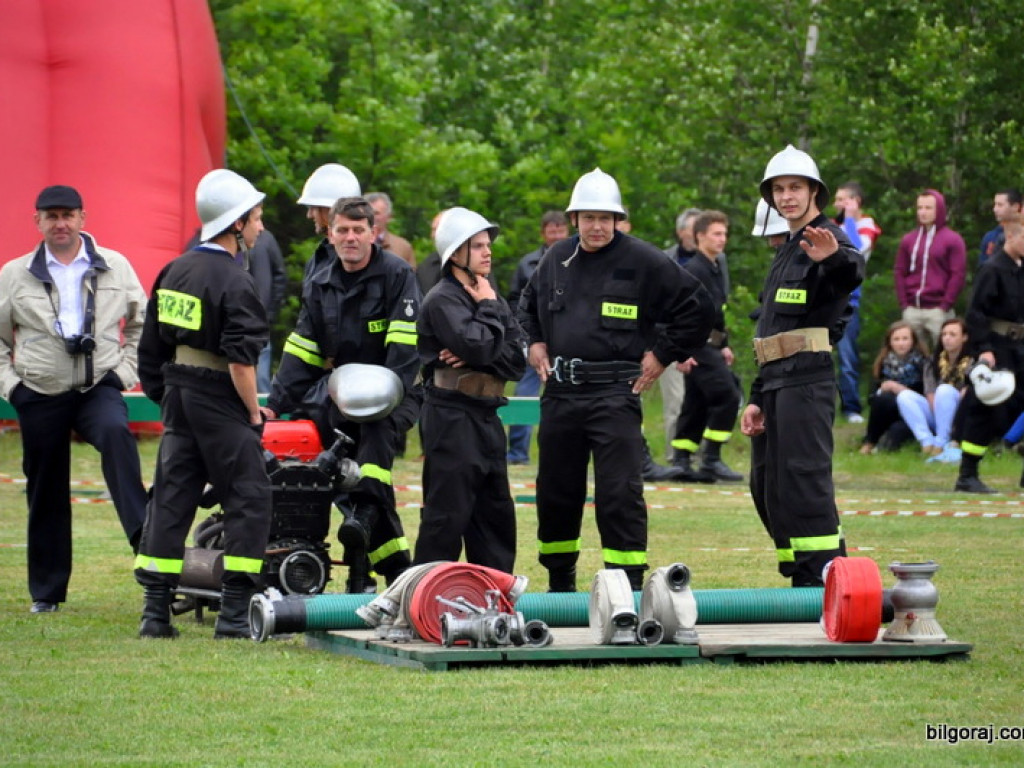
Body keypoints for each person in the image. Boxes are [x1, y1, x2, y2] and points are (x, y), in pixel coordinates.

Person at [519, 168, 714, 592]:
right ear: (575, 220)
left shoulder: (643, 260)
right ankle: (560, 582)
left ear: (617, 220)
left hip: (615, 393)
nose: (596, 226)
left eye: (605, 218)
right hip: (561, 394)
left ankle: (626, 586)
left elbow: (699, 307)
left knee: (619, 495)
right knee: (556, 492)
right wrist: (533, 342)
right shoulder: (556, 258)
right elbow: (527, 306)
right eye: (588, 218)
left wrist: (663, 354)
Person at [134, 169, 272, 638]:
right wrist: (253, 415)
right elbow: (241, 363)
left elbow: (150, 351)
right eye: (255, 218)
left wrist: (170, 397)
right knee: (250, 497)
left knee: (172, 501)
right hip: (220, 400)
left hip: (178, 396)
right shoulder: (236, 282)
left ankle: (155, 614)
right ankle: (234, 615)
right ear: (235, 224)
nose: (260, 227)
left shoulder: (174, 270)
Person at [0, 185, 148, 614]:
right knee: (44, 487)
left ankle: (147, 544)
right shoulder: (14, 273)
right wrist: (14, 389)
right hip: (39, 391)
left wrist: (123, 374)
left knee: (117, 436)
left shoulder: (115, 266)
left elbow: (143, 325)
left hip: (96, 385)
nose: (60, 224)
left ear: (83, 217)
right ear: (38, 222)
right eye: (51, 216)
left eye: (68, 215)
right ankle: (46, 593)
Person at [265, 197, 420, 591]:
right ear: (331, 234)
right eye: (343, 230)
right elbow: (303, 348)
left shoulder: (397, 275)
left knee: (372, 459)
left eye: (358, 230)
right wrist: (277, 405)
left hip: (393, 393)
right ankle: (387, 572)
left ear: (373, 233)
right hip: (341, 395)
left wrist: (386, 397)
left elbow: (405, 350)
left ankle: (366, 529)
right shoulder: (320, 282)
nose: (350, 238)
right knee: (341, 474)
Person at [740, 145, 864, 588]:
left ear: (815, 191)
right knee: (769, 485)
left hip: (806, 384)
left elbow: (849, 273)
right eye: (779, 189)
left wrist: (831, 258)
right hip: (775, 383)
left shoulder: (826, 239)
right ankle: (801, 572)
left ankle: (824, 581)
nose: (787, 196)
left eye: (795, 188)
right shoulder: (788, 248)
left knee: (804, 483)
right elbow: (771, 330)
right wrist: (756, 398)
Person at [415, 208, 525, 571]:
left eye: (488, 245)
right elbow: (481, 345)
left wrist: (485, 330)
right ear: (456, 253)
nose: (487, 252)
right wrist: (487, 324)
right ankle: (423, 599)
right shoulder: (443, 299)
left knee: (495, 515)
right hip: (451, 415)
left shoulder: (489, 295)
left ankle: (495, 600)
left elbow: (516, 360)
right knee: (447, 516)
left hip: (488, 414)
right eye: (478, 246)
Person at [953, 213, 1024, 493]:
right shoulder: (992, 269)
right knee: (987, 410)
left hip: (1021, 350)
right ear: (1012, 237)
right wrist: (984, 350)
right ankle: (967, 475)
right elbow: (975, 314)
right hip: (998, 348)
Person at [672, 210, 743, 482]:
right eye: (716, 233)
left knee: (697, 402)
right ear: (699, 236)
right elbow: (674, 312)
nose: (722, 239)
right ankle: (711, 459)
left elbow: (716, 313)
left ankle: (681, 460)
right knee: (728, 394)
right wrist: (680, 351)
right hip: (695, 346)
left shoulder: (715, 268)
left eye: (724, 233)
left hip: (710, 346)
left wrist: (724, 344)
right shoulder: (692, 270)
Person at [506, 211, 569, 465]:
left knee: (565, 400)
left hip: (567, 343)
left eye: (560, 231)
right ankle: (518, 453)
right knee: (524, 395)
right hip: (534, 342)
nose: (556, 236)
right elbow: (514, 302)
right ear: (543, 233)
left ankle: (561, 456)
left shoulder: (580, 260)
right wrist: (524, 337)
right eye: (551, 231)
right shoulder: (527, 264)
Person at [833, 182, 882, 424]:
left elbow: (856, 249)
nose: (836, 204)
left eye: (842, 199)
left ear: (855, 201)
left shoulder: (866, 225)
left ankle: (851, 407)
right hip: (825, 299)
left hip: (848, 301)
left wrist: (850, 219)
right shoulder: (832, 225)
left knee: (847, 356)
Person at [894, 188, 967, 351]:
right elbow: (899, 271)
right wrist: (904, 304)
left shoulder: (953, 240)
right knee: (912, 353)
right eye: (920, 208)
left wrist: (945, 305)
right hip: (912, 308)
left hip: (938, 309)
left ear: (939, 210)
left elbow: (958, 274)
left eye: (928, 208)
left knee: (944, 352)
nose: (923, 212)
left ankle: (944, 377)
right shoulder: (909, 240)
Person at [899, 317, 973, 463]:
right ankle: (926, 442)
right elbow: (930, 393)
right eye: (944, 334)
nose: (947, 338)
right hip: (938, 411)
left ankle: (941, 442)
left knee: (945, 390)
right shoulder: (933, 361)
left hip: (960, 413)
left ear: (964, 337)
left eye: (952, 335)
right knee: (904, 396)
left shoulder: (972, 361)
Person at [859, 321, 932, 455]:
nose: (901, 343)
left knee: (894, 436)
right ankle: (869, 442)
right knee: (883, 398)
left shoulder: (925, 363)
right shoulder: (882, 363)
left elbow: (928, 396)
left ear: (913, 341)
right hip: (889, 410)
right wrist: (884, 388)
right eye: (896, 339)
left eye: (905, 339)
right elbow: (872, 400)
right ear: (890, 342)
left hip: (916, 413)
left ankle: (881, 443)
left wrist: (900, 389)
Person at [296, 163, 362, 281]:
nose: (309, 215)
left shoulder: (359, 260)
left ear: (331, 210)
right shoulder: (320, 258)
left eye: (314, 208)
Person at [248, 229, 286, 392]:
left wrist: (270, 313)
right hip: (234, 323)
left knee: (261, 381)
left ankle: (264, 416)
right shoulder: (227, 241)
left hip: (259, 322)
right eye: (257, 219)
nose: (261, 225)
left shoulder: (266, 239)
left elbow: (279, 275)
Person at [367, 191, 416, 268]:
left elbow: (411, 277)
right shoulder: (352, 242)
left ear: (389, 217)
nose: (371, 217)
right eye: (367, 213)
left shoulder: (403, 247)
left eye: (376, 213)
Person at [979, 188, 1022, 266]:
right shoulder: (990, 237)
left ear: (1016, 207)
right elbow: (983, 268)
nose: (995, 209)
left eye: (1000, 205)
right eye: (995, 205)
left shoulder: (1021, 235)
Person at [416, 210, 447, 297]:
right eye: (433, 230)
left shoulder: (475, 264)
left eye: (437, 229)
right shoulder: (425, 267)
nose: (432, 235)